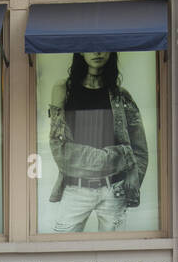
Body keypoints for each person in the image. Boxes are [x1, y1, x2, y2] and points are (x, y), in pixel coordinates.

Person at [48, 51, 149, 232]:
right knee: (64, 250)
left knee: (113, 252)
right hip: (76, 188)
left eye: (103, 47)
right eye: (90, 47)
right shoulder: (63, 89)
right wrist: (121, 155)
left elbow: (139, 148)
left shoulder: (121, 96)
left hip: (114, 190)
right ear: (80, 52)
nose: (97, 52)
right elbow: (60, 149)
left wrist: (133, 180)